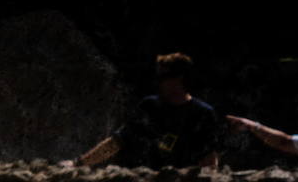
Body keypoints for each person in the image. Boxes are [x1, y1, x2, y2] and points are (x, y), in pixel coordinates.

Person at [73, 52, 220, 169]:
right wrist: (79, 163)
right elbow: (118, 140)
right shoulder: (151, 106)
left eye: (164, 77)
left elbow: (208, 159)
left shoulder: (202, 114)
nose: (159, 82)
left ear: (179, 78)